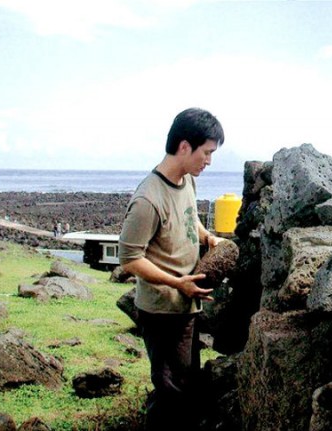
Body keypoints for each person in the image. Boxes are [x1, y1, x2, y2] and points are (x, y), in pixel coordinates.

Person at [118, 107, 225, 430]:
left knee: (185, 379)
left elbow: (189, 215)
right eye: (206, 153)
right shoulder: (148, 198)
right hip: (162, 311)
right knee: (171, 388)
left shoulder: (186, 181)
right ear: (183, 147)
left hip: (186, 303)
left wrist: (207, 237)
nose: (208, 161)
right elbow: (130, 258)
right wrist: (178, 284)